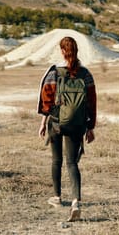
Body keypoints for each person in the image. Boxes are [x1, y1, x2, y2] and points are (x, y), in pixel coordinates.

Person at [37, 36, 97, 222]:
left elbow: (47, 99)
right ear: (77, 51)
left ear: (62, 51)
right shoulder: (85, 74)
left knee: (56, 161)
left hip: (55, 123)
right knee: (72, 163)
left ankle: (56, 198)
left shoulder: (54, 72)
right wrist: (90, 126)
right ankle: (75, 202)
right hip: (78, 124)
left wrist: (43, 122)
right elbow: (91, 102)